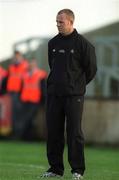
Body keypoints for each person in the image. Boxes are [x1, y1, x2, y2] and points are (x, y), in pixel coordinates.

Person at [42, 9, 97, 179]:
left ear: (71, 22)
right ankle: (55, 169)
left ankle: (77, 170)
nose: (58, 25)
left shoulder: (83, 44)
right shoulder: (52, 43)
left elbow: (91, 70)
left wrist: (76, 85)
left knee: (74, 133)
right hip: (54, 95)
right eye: (57, 21)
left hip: (74, 96)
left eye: (61, 22)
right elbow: (53, 66)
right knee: (53, 132)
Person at [19, 59, 47, 140]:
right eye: (30, 63)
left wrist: (43, 101)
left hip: (34, 100)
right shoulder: (24, 74)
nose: (31, 65)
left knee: (30, 119)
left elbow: (43, 89)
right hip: (24, 100)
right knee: (26, 119)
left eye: (33, 63)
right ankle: (26, 137)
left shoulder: (41, 74)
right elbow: (22, 87)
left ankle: (29, 137)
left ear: (35, 64)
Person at [6, 50, 29, 138]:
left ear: (21, 57)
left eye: (17, 56)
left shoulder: (25, 66)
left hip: (20, 94)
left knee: (19, 114)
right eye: (15, 56)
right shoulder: (11, 67)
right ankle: (15, 132)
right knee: (14, 114)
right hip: (12, 93)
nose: (16, 58)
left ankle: (19, 134)